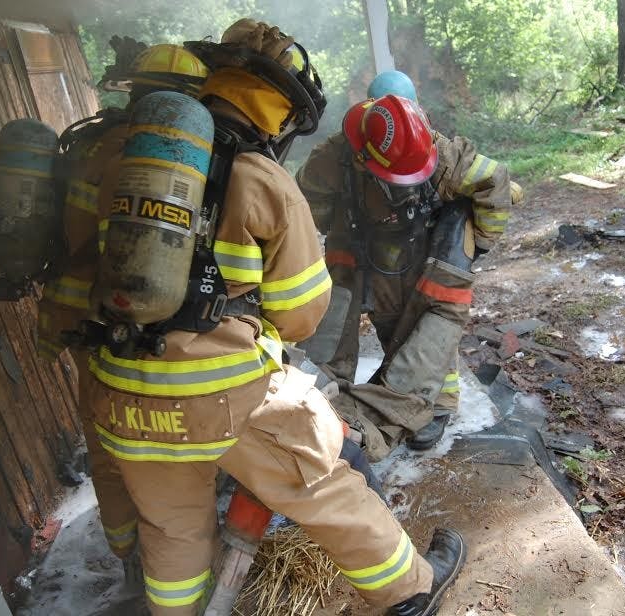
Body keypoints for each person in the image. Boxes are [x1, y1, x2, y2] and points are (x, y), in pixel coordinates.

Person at [74, 19, 466, 616]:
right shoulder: (263, 178)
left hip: (122, 388)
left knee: (172, 530)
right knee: (324, 481)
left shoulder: (125, 165)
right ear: (279, 114)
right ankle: (410, 592)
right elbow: (303, 313)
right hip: (223, 393)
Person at [34, 41, 209, 578]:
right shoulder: (160, 154)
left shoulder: (88, 144)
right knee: (156, 442)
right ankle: (170, 555)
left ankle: (126, 553)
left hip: (73, 314)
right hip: (131, 312)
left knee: (104, 443)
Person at [296, 71, 520, 461]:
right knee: (346, 321)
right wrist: (338, 222)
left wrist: (478, 242)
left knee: (423, 325)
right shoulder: (336, 156)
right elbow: (307, 193)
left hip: (420, 248)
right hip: (358, 245)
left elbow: (495, 182)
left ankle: (435, 406)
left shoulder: (442, 153)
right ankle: (325, 401)